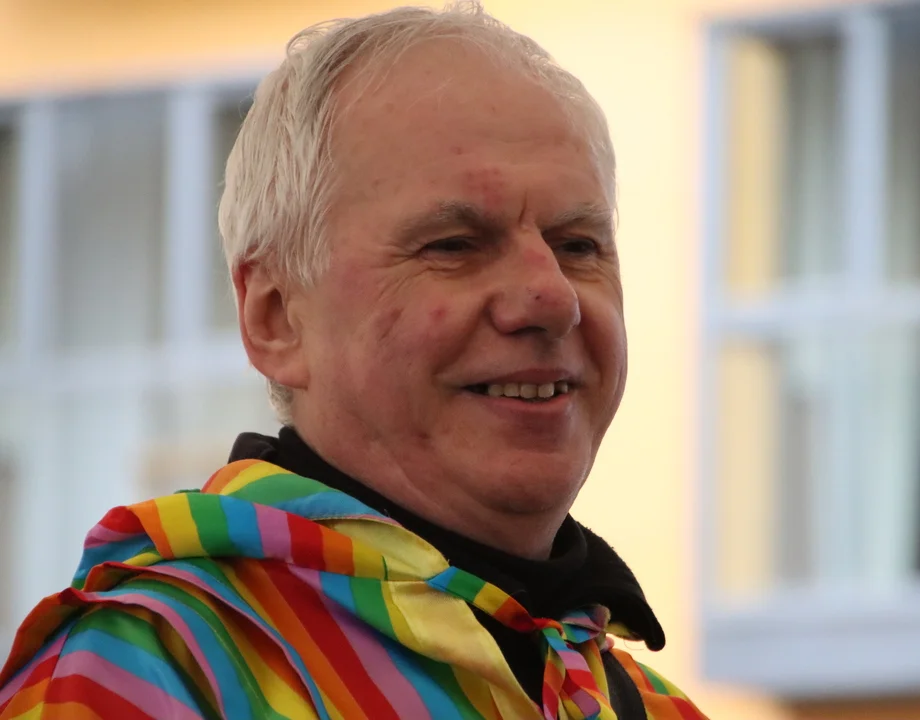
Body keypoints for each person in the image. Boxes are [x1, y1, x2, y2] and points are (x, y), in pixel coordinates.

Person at [0, 3, 708, 718]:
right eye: (454, 245)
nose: (552, 298)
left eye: (578, 245)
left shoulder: (657, 709)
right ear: (276, 318)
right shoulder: (143, 676)